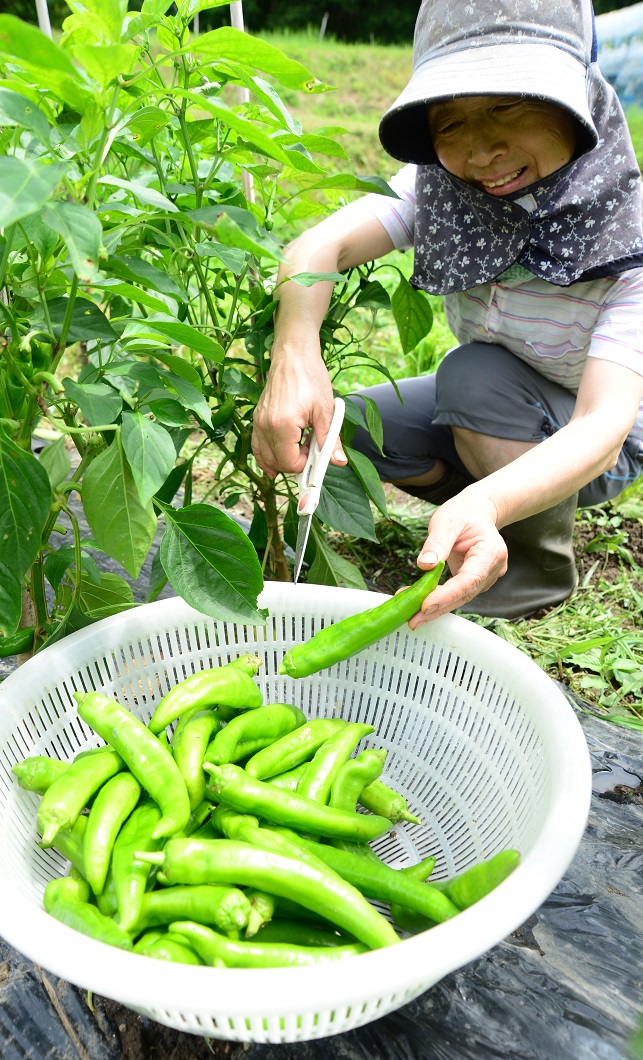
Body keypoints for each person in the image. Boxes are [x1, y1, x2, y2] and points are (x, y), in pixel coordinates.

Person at [251, 0, 643, 627]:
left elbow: (603, 426)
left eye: (508, 106)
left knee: (474, 374)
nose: (481, 152)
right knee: (348, 429)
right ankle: (478, 504)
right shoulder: (442, 188)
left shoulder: (627, 238)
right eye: (451, 122)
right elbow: (318, 247)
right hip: (497, 401)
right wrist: (293, 358)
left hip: (597, 441)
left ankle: (530, 573)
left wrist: (490, 502)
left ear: (578, 101)